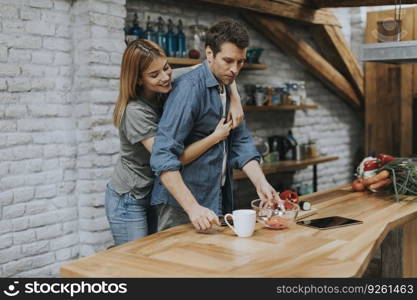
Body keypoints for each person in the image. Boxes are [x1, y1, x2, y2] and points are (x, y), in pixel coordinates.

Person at [105, 39, 245, 246]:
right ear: (138, 80)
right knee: (136, 262)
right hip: (130, 198)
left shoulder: (168, 81)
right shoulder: (135, 112)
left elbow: (218, 68)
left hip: (155, 190)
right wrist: (215, 137)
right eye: (154, 75)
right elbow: (171, 159)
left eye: (166, 67)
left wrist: (236, 101)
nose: (165, 77)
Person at [150, 19, 278, 232]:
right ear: (209, 54)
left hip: (215, 196)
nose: (234, 70)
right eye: (228, 61)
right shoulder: (189, 90)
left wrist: (261, 183)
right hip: (182, 206)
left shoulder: (226, 86)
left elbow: (241, 141)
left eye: (240, 62)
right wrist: (193, 208)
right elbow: (162, 157)